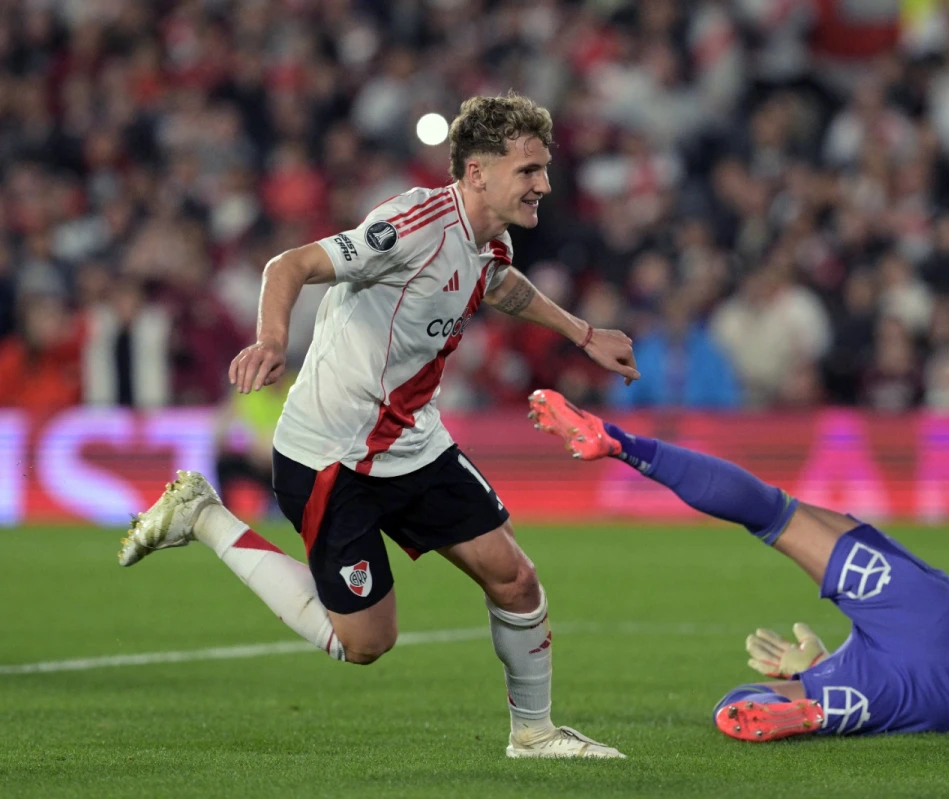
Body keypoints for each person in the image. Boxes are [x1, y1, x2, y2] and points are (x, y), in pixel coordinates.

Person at [117, 93, 639, 759]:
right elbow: (290, 264)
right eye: (529, 170)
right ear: (477, 173)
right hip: (331, 454)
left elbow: (498, 281)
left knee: (515, 579)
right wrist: (273, 340)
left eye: (543, 169)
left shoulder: (491, 239)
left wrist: (581, 331)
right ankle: (203, 515)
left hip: (414, 441)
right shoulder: (413, 223)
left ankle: (533, 734)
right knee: (365, 642)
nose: (544, 183)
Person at [529, 305, 949, 740]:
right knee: (742, 698)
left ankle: (620, 442)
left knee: (773, 513)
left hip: (947, 621)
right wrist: (825, 664)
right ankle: (820, 709)